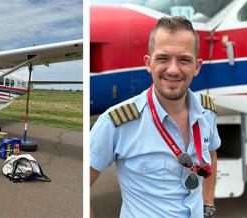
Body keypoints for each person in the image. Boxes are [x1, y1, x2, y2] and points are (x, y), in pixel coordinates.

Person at [90, 16, 220, 218]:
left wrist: (208, 204)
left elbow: (210, 154)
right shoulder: (115, 123)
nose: (173, 69)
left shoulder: (207, 112)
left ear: (197, 66)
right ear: (148, 63)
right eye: (163, 58)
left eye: (184, 59)